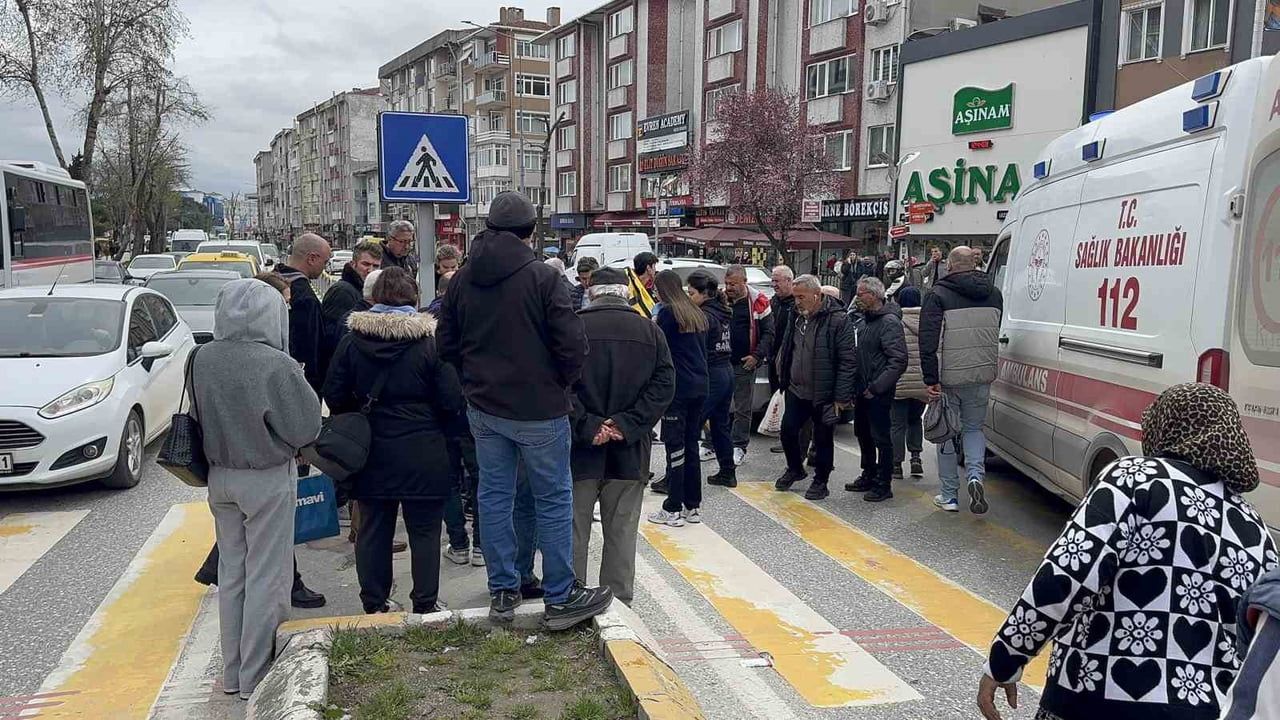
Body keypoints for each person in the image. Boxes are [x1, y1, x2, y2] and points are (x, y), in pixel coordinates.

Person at [978, 383, 1276, 720]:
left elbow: (1067, 575)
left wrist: (1005, 659)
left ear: (1164, 427)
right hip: (1206, 709)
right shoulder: (1254, 528)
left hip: (1097, 699)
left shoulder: (1133, 479)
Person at [438, 190, 614, 629]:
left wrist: (473, 382)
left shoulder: (461, 279)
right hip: (540, 409)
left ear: (489, 228)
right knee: (553, 497)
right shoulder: (543, 277)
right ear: (529, 232)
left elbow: (446, 345)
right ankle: (560, 594)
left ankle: (503, 590)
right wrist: (561, 384)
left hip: (484, 408)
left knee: (494, 497)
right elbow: (573, 345)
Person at [193, 279, 321, 699]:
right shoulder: (276, 363)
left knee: (233, 575)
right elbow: (305, 428)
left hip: (219, 476)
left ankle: (232, 674)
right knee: (269, 576)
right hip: (265, 476)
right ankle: (258, 676)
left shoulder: (201, 358)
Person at [323, 268, 462, 614]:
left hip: (370, 450)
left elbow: (334, 394)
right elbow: (451, 400)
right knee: (426, 531)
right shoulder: (431, 342)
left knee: (372, 530)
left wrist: (360, 414)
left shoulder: (352, 340)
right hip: (424, 448)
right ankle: (425, 604)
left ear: (374, 299)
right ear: (414, 299)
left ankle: (374, 603)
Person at [569, 267, 674, 604]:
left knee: (573, 530)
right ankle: (616, 604)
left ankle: (569, 595)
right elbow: (664, 386)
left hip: (580, 450)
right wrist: (625, 425)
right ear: (626, 293)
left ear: (591, 291)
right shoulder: (650, 331)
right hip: (629, 450)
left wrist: (591, 425)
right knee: (622, 531)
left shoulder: (572, 328)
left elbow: (556, 385)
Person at [919, 246, 1003, 514]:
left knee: (946, 431)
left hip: (948, 377)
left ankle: (949, 495)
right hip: (981, 374)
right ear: (975, 264)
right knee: (974, 429)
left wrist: (930, 378)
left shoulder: (938, 294)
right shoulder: (995, 293)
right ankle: (976, 477)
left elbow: (928, 340)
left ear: (951, 265)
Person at [773, 275, 857, 501]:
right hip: (796, 389)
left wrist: (841, 396)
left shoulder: (838, 320)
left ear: (816, 295)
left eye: (801, 297)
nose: (797, 301)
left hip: (824, 392)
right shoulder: (796, 316)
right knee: (788, 431)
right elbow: (789, 346)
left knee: (822, 438)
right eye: (795, 297)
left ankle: (821, 480)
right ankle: (795, 468)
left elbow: (848, 360)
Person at [647, 269, 709, 526]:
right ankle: (692, 506)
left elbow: (658, 351)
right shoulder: (695, 313)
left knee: (675, 447)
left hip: (678, 389)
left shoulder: (667, 313)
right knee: (691, 445)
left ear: (663, 290)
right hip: (700, 386)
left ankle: (672, 506)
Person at [843, 277, 906, 503]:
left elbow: (898, 360)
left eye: (861, 294)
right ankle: (868, 473)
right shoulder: (864, 321)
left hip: (877, 391)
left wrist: (878, 386)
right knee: (863, 433)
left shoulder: (889, 322)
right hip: (862, 388)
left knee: (881, 437)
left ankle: (883, 482)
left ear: (875, 295)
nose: (857, 298)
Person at [723, 264, 773, 467]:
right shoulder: (720, 298)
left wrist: (756, 356)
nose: (729, 287)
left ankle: (738, 446)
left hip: (744, 364)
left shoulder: (758, 301)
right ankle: (711, 443)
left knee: (743, 408)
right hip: (720, 363)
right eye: (727, 283)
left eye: (733, 284)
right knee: (716, 405)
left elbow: (769, 333)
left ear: (744, 282)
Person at [688, 271, 735, 487]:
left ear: (704, 294)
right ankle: (727, 471)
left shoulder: (705, 316)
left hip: (712, 374)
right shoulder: (722, 311)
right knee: (720, 425)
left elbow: (698, 349)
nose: (689, 298)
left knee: (690, 427)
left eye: (691, 293)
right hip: (725, 371)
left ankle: (675, 479)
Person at [274, 233, 332, 395]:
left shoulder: (268, 283)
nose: (325, 268)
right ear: (312, 258)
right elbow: (309, 350)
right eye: (325, 262)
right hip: (299, 387)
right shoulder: (305, 298)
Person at [320, 240, 383, 370]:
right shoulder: (343, 291)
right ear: (353, 264)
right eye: (365, 264)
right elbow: (335, 338)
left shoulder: (364, 291)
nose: (370, 270)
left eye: (376, 266)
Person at [891, 286, 928, 481]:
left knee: (897, 424)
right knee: (915, 419)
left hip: (900, 380)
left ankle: (896, 465)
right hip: (922, 381)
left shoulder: (895, 321)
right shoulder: (929, 322)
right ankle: (916, 458)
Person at [768, 266, 799, 455]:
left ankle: (791, 439)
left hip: (791, 359)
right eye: (772, 281)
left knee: (791, 402)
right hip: (774, 359)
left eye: (776, 281)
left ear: (789, 281)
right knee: (778, 396)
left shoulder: (796, 303)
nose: (774, 285)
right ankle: (783, 435)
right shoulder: (774, 302)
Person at [625, 251, 659, 318]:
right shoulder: (629, 287)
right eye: (654, 266)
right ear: (648, 268)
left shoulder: (654, 286)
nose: (655, 269)